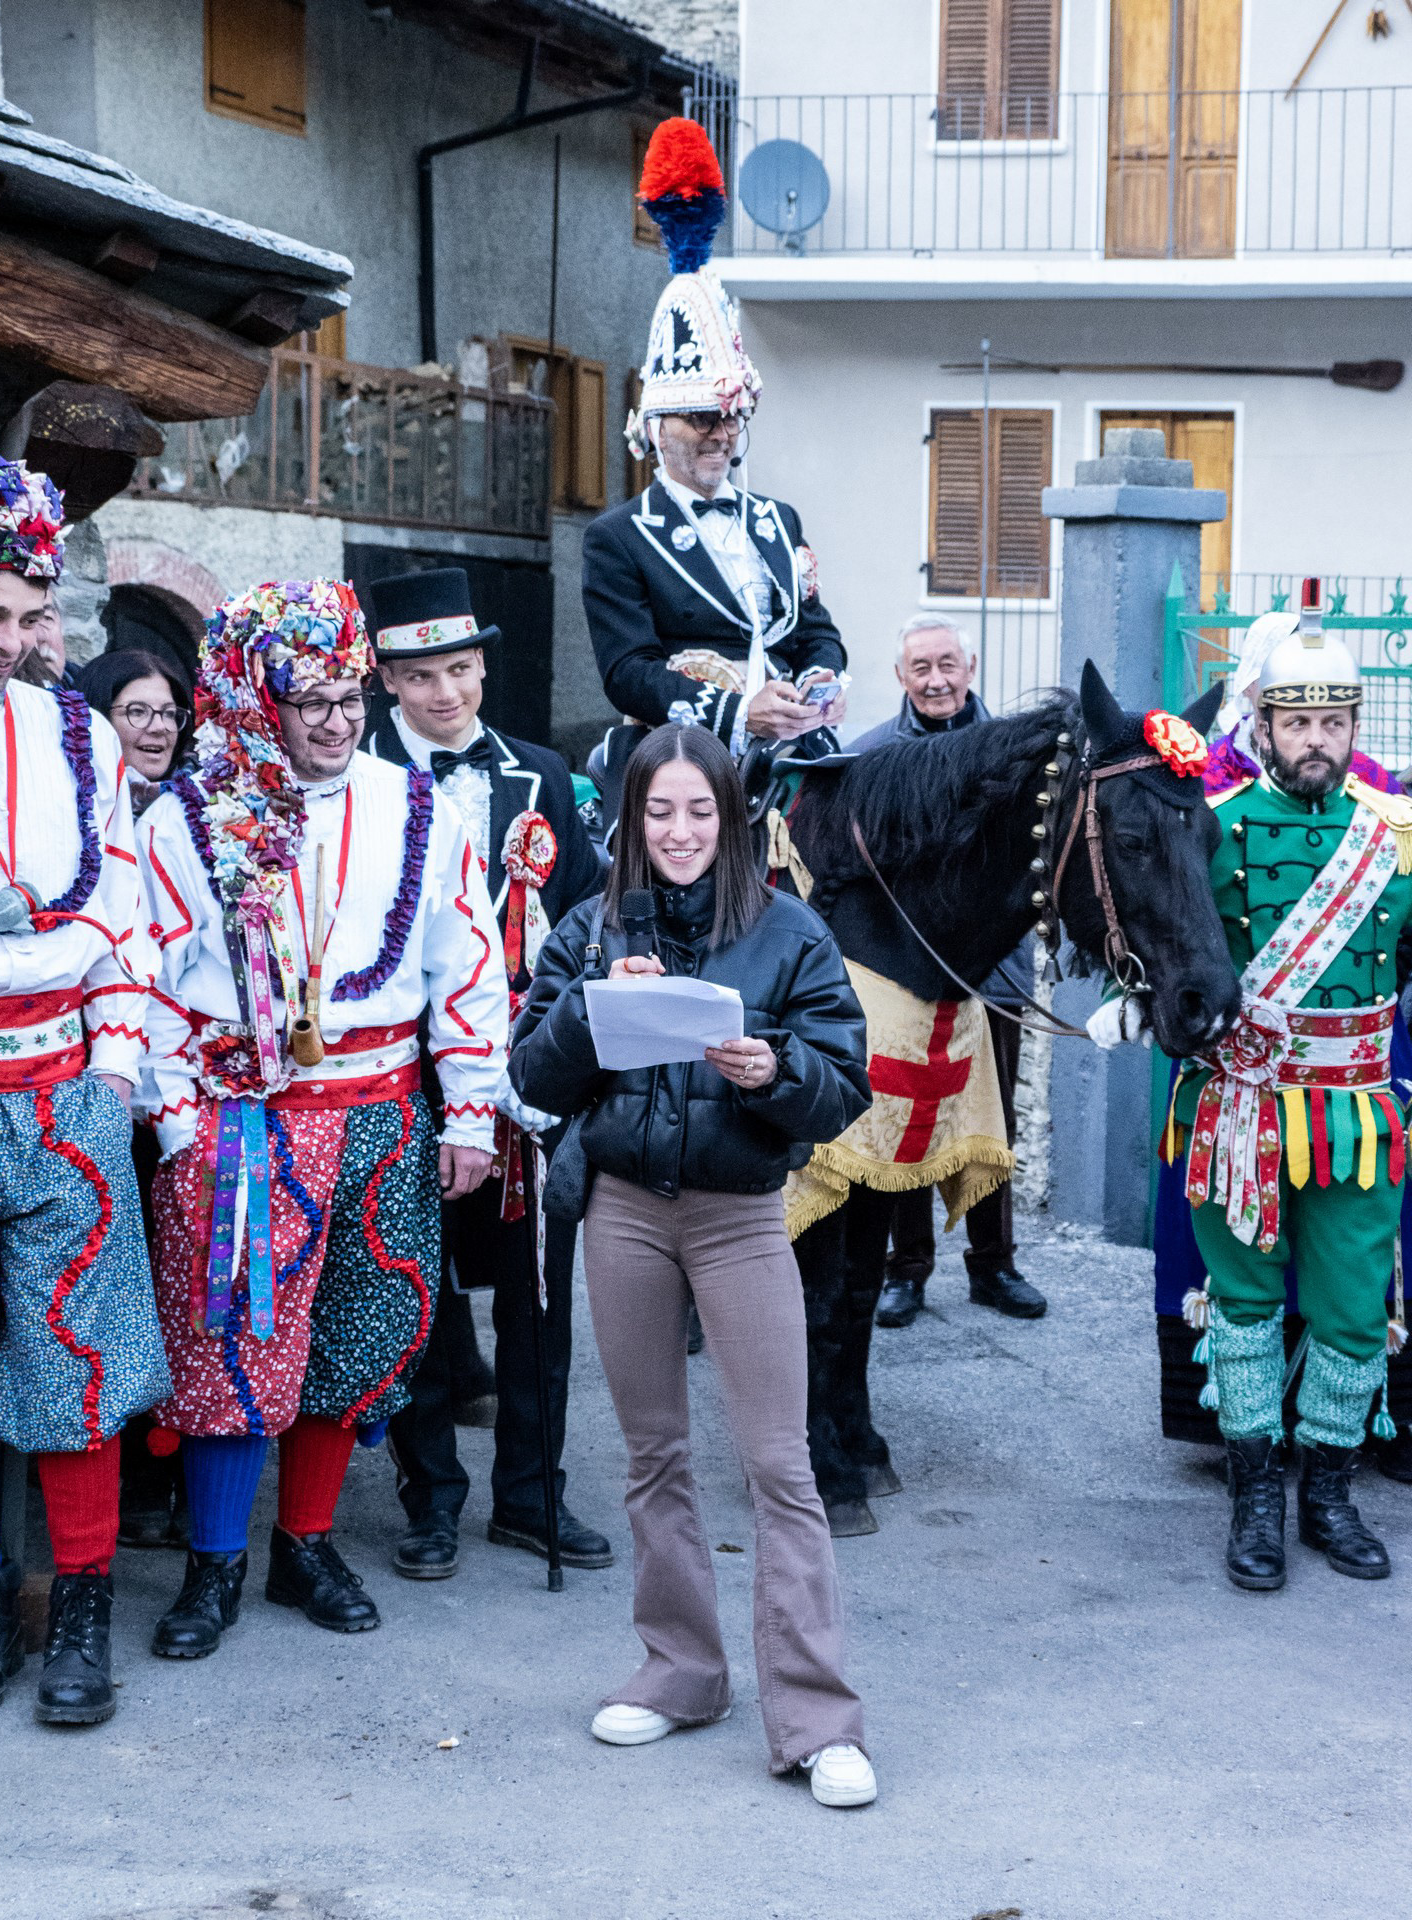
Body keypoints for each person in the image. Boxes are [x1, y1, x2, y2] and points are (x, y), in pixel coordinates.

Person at [136, 578, 507, 1660]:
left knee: (357, 1334)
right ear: (260, 701)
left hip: (383, 1113)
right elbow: (146, 979)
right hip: (242, 1124)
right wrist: (178, 1121)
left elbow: (468, 967)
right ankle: (214, 1564)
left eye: (350, 696)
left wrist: (470, 1115)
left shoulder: (420, 808)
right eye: (312, 702)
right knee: (234, 1340)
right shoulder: (186, 818)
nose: (339, 722)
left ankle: (304, 1545)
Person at [510, 723, 878, 1808]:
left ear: (734, 817)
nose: (679, 832)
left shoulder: (790, 931)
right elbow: (531, 1076)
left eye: (700, 811)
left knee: (779, 1464)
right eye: (658, 811)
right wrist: (591, 1008)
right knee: (653, 1455)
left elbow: (843, 1085)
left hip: (740, 1217)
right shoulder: (588, 926)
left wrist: (775, 1069)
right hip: (622, 1210)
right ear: (631, 819)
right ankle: (682, 1671)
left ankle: (817, 1718)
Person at [1099, 580, 1412, 1591]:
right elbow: (1155, 930)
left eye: (1334, 722)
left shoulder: (1395, 837)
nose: (1317, 740)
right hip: (1237, 1110)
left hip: (1356, 1119)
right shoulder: (1212, 827)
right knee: (1242, 1307)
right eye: (1298, 722)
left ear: (1353, 728)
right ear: (1264, 727)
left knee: (1354, 1311)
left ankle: (1330, 1493)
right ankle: (1257, 1498)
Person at [362, 566, 609, 1576]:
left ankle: (531, 1495)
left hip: (525, 1074)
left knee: (536, 1294)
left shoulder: (539, 773)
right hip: (397, 1074)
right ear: (387, 679)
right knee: (416, 1292)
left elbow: (587, 917)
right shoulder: (358, 775)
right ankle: (429, 1500)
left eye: (461, 669)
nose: (447, 692)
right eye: (422, 676)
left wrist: (555, 1040)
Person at [0, 457, 168, 1725]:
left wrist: (113, 1070)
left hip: (63, 1082)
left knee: (77, 1358)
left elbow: (121, 915)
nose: (6, 640)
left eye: (26, 614)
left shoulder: (79, 736)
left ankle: (83, 1605)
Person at [582, 119, 847, 829]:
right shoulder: (618, 537)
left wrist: (821, 681)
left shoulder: (777, 519)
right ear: (656, 427)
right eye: (703, 418)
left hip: (795, 756)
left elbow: (814, 629)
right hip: (683, 760)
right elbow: (628, 673)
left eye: (732, 417)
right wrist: (738, 712)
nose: (722, 434)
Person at [854, 615, 1045, 1326]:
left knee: (992, 1127)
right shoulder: (873, 754)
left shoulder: (1020, 755)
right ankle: (906, 1269)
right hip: (904, 980)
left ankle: (994, 1265)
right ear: (900, 676)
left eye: (947, 665)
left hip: (993, 979)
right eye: (920, 668)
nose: (935, 681)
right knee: (910, 1116)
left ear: (970, 667)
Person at [80, 646, 197, 1553]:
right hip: (94, 1078)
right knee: (103, 1289)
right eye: (136, 712)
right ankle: (106, 1472)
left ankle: (163, 1471)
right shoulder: (78, 808)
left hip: (181, 1082)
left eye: (168, 713)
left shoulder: (205, 813)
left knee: (176, 1284)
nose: (156, 729)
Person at [79, 648, 194, 815]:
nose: (159, 727)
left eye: (169, 713)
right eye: (137, 711)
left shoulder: (211, 802)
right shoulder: (64, 800)